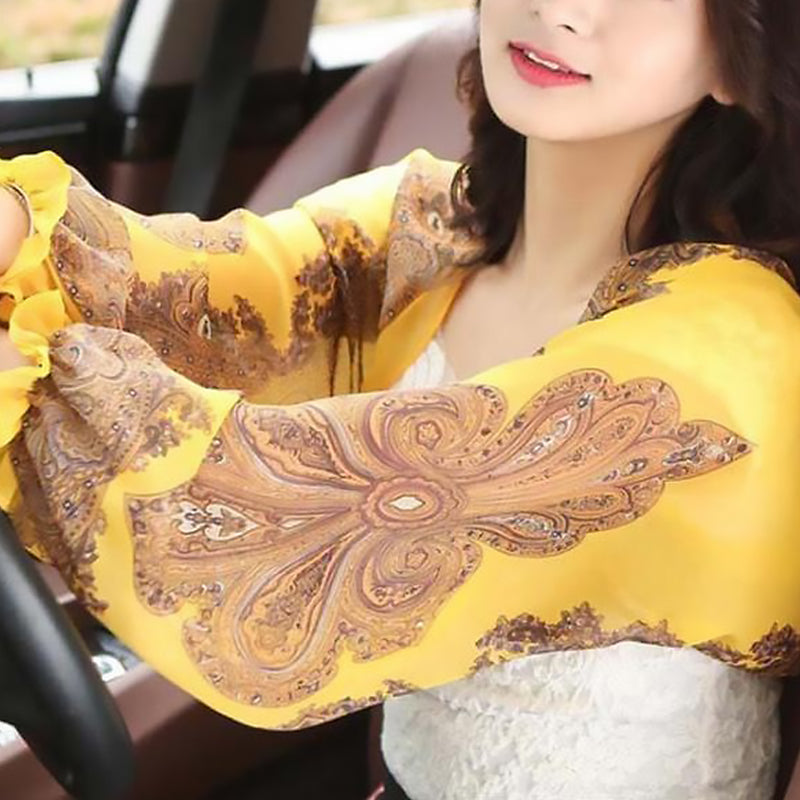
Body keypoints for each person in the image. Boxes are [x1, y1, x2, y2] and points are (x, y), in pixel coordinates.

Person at [0, 0, 799, 797]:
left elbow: (278, 543)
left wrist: (30, 383)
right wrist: (16, 229)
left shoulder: (723, 356)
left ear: (740, 58)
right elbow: (182, 286)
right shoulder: (431, 231)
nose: (559, 8)